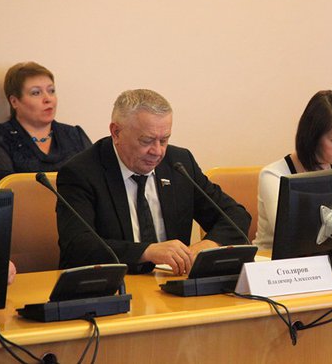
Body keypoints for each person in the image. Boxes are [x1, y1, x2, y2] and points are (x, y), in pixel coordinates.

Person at [56, 89, 251, 275]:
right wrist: (147, 252)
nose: (158, 151)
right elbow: (78, 245)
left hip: (172, 285)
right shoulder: (81, 172)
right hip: (111, 286)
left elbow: (236, 215)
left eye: (164, 140)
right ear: (116, 133)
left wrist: (207, 246)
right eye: (146, 141)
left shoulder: (179, 163)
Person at [253, 90, 332, 249]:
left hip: (327, 259)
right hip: (274, 260)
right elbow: (290, 235)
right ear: (313, 136)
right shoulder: (274, 176)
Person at [0, 62, 92, 187]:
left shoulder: (74, 135)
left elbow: (96, 179)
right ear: (14, 101)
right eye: (36, 93)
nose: (48, 99)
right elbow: (5, 190)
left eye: (51, 91)